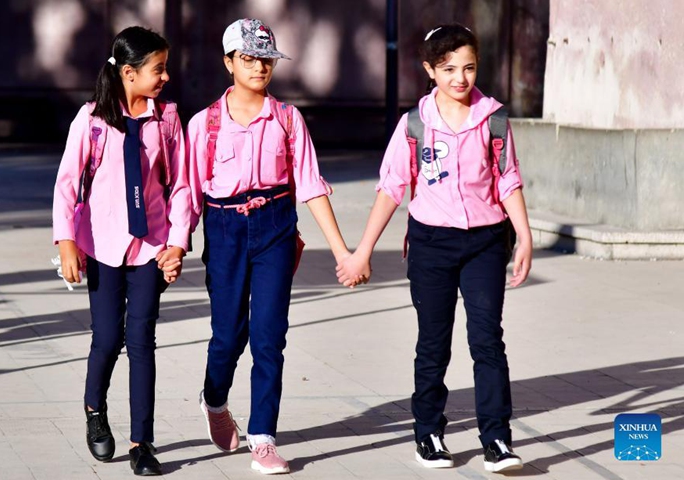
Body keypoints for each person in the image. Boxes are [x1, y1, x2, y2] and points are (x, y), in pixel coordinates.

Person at [337, 24, 531, 474]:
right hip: (431, 243)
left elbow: (508, 178)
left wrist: (524, 235)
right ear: (429, 69)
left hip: (485, 241)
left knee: (487, 341)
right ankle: (429, 433)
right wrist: (362, 250)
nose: (460, 78)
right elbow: (391, 187)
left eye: (468, 67)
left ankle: (497, 440)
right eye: (448, 69)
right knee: (433, 344)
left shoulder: (495, 118)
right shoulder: (414, 125)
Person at [186, 18, 359, 475]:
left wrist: (343, 252)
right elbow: (189, 192)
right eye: (248, 58)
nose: (259, 66)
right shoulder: (204, 124)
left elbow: (311, 186)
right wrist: (173, 246)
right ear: (228, 63)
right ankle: (215, 399)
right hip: (223, 229)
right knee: (228, 335)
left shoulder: (287, 118)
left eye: (266, 58)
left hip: (276, 226)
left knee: (269, 336)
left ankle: (263, 438)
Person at [52, 26, 190, 476]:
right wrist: (66, 239)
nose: (165, 77)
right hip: (102, 246)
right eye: (158, 69)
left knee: (141, 341)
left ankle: (141, 442)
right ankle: (95, 410)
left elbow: (182, 186)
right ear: (128, 73)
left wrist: (177, 242)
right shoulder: (91, 120)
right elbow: (67, 183)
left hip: (150, 246)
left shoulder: (166, 120)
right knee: (107, 338)